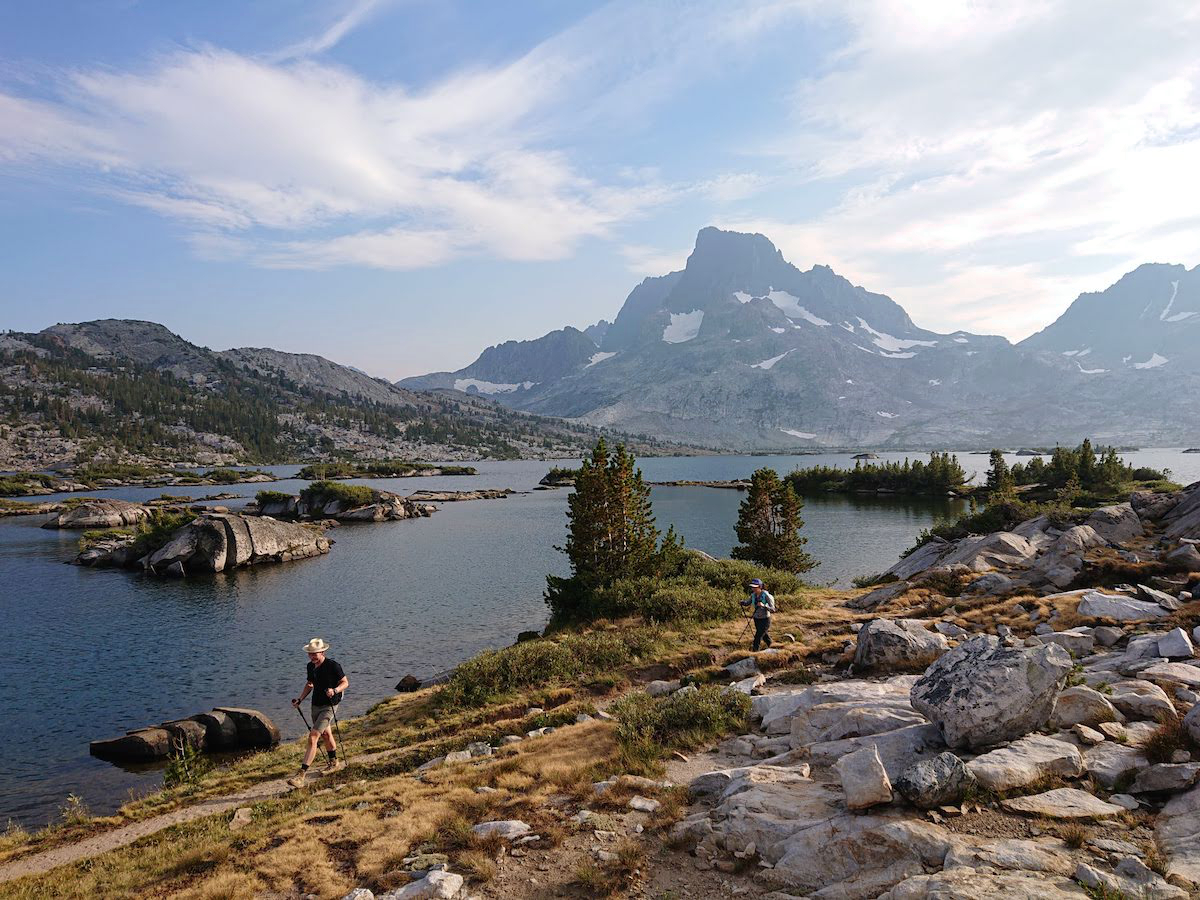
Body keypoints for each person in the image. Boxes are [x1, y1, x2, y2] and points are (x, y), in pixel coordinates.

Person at [287, 638, 349, 787]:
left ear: (323, 652)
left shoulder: (333, 666)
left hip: (330, 705)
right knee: (326, 734)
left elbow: (345, 683)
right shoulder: (310, 666)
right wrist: (300, 699)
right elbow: (310, 684)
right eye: (310, 654)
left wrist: (334, 690)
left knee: (313, 736)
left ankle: (301, 775)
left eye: (315, 653)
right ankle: (334, 763)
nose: (312, 656)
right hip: (316, 704)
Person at [740, 578, 776, 651]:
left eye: (755, 587)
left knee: (758, 636)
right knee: (764, 635)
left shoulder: (766, 595)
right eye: (752, 587)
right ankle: (772, 646)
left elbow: (773, 609)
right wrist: (743, 602)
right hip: (756, 619)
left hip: (765, 619)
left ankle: (755, 651)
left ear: (760, 586)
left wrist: (764, 605)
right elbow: (748, 603)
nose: (753, 588)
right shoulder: (753, 595)